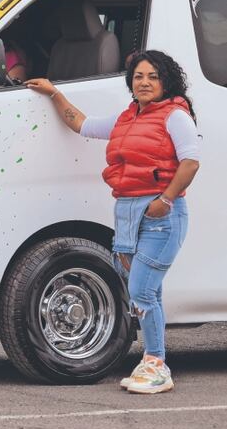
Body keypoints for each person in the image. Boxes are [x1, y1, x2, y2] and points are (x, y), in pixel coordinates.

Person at [26, 50, 199, 394]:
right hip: (128, 213)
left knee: (141, 291)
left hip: (161, 216)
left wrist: (165, 200)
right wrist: (54, 93)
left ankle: (156, 364)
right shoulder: (126, 118)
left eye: (153, 76)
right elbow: (81, 124)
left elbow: (191, 162)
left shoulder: (175, 116)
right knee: (147, 291)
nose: (144, 82)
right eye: (138, 76)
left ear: (165, 81)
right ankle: (152, 361)